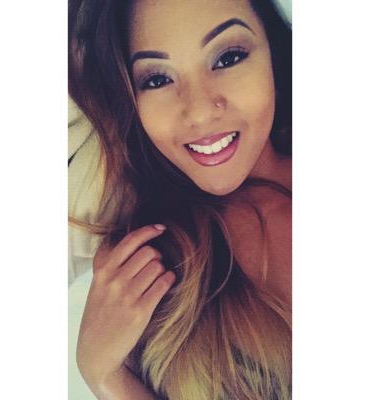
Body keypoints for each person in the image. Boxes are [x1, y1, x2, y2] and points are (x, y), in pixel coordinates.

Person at [68, 0, 292, 399]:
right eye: (157, 79)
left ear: (274, 55)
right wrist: (105, 375)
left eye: (228, 57)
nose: (200, 112)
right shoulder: (144, 265)